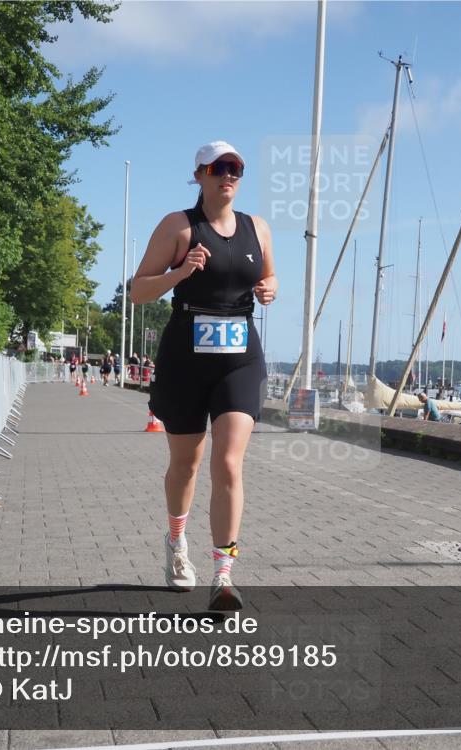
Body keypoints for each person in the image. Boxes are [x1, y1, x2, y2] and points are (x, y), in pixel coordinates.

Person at [131, 140, 277, 611]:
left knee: (229, 463)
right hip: (185, 355)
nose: (228, 176)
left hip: (239, 355)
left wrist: (269, 287)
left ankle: (224, 575)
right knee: (186, 465)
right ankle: (176, 542)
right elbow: (136, 291)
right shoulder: (179, 226)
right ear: (199, 175)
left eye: (236, 168)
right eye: (218, 168)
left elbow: (269, 277)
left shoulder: (258, 228)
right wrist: (179, 272)